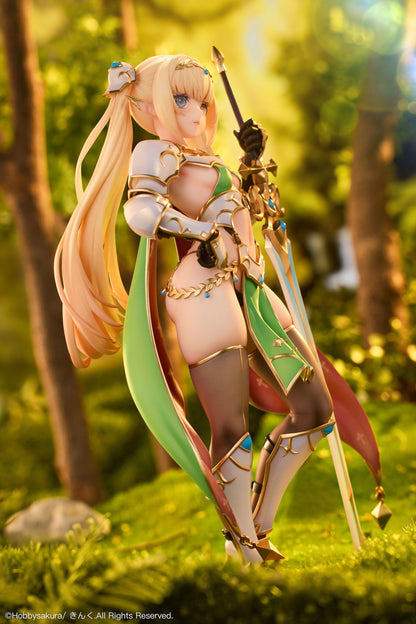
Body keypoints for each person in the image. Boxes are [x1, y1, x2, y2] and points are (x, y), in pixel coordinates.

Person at [54, 54, 340, 565]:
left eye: (202, 101)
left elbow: (255, 214)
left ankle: (255, 529)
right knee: (230, 425)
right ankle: (245, 546)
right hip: (203, 289)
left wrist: (252, 165)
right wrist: (201, 232)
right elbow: (141, 210)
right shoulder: (154, 153)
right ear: (146, 106)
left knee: (316, 410)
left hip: (250, 286)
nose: (195, 110)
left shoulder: (211, 159)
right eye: (180, 98)